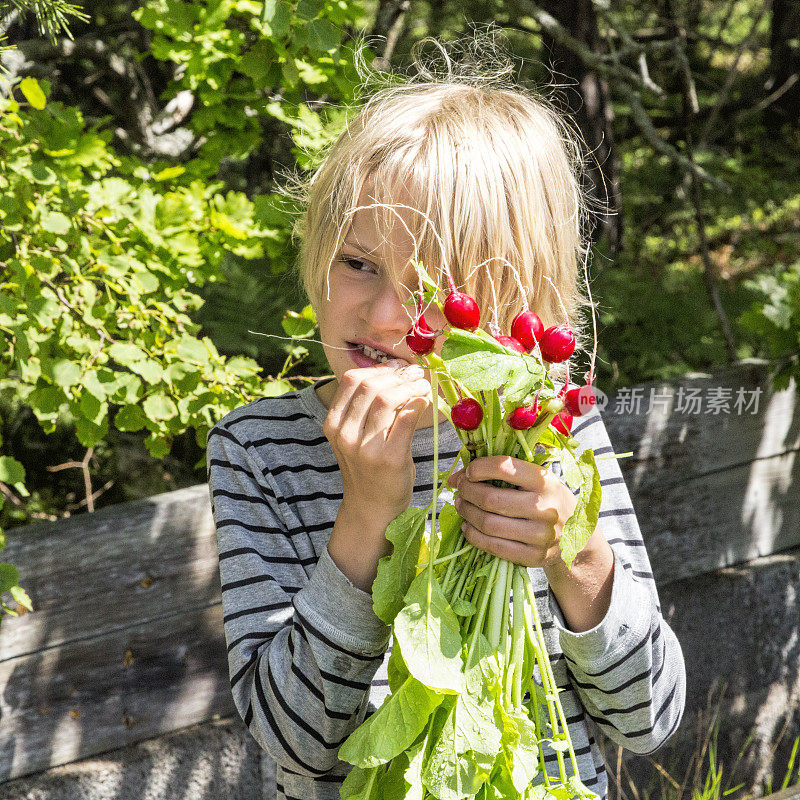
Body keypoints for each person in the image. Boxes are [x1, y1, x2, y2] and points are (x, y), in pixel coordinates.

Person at [206, 47, 686, 800]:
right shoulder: (261, 451)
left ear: (519, 291)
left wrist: (576, 555)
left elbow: (649, 717)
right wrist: (367, 513)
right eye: (359, 263)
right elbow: (294, 741)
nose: (388, 315)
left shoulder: (543, 427)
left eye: (437, 288)